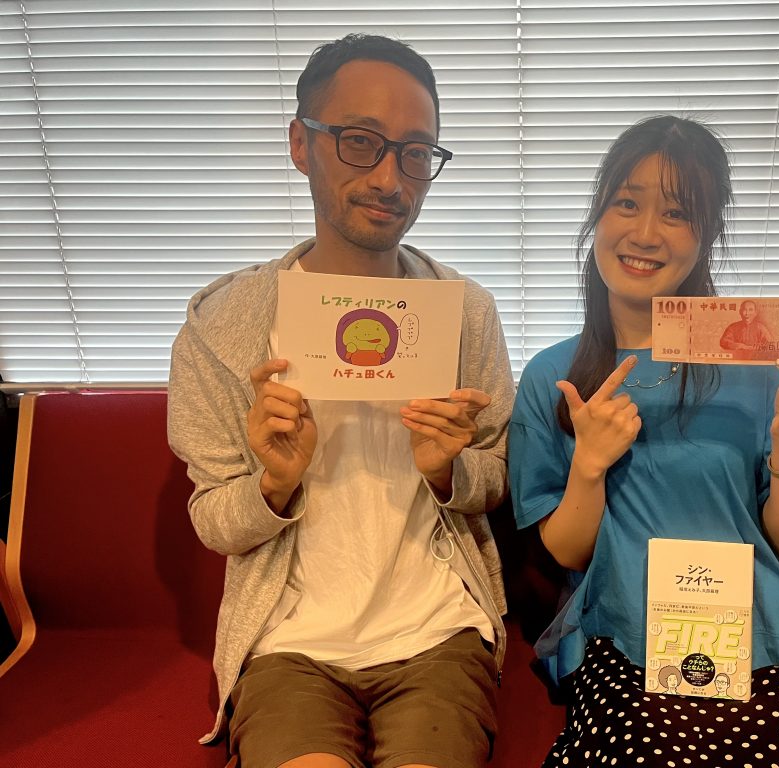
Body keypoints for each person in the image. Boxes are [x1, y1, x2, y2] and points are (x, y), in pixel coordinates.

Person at [509, 115, 779, 767]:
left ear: (706, 235)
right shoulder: (553, 376)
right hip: (625, 634)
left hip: (767, 634)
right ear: (598, 215)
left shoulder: (762, 369)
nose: (646, 233)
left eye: (676, 213)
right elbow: (567, 551)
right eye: (627, 203)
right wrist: (589, 465)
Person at [168, 34, 514, 768]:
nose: (391, 178)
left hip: (439, 631)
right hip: (287, 643)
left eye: (416, 153)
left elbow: (494, 479)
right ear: (301, 143)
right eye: (360, 142)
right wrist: (274, 484)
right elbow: (213, 520)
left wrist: (447, 472)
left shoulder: (465, 313)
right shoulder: (222, 327)